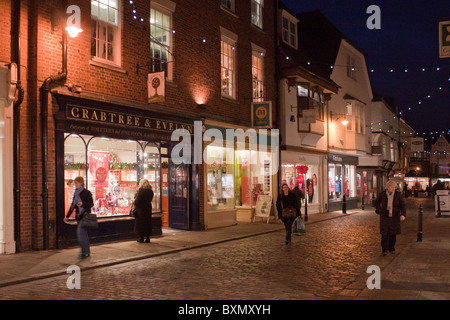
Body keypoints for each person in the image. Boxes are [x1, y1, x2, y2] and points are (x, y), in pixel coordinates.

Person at [64, 176, 94, 258]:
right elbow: (73, 205)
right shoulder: (76, 193)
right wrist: (67, 216)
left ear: (81, 183)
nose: (75, 185)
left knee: (80, 233)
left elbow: (91, 204)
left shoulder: (86, 193)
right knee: (83, 234)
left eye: (76, 183)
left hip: (85, 216)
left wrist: (82, 204)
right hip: (79, 216)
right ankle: (86, 251)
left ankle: (84, 252)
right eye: (75, 183)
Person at [374, 180, 406, 256]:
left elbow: (402, 205)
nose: (393, 188)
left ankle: (391, 248)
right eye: (392, 187)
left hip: (394, 216)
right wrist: (379, 210)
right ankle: (384, 250)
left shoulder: (398, 195)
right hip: (385, 217)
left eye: (394, 187)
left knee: (393, 233)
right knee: (384, 233)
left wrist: (403, 214)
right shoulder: (382, 194)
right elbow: (376, 202)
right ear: (387, 187)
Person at [133, 179, 154, 243]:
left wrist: (134, 202)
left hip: (141, 210)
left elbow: (137, 201)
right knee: (147, 223)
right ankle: (148, 238)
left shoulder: (141, 191)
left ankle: (141, 237)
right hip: (148, 209)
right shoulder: (150, 191)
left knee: (141, 224)